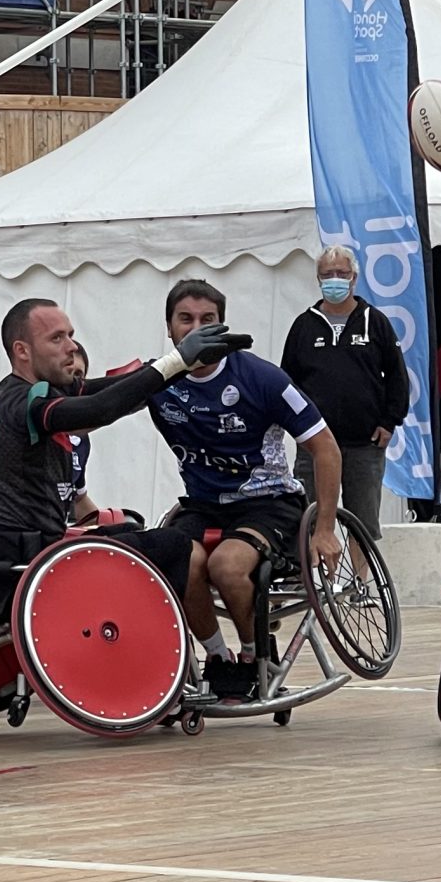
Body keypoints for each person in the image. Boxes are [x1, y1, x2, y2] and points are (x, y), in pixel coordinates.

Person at [0, 297, 235, 615]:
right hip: (39, 559)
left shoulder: (33, 389)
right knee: (178, 546)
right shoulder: (25, 401)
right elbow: (100, 408)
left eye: (70, 335)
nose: (72, 347)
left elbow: (108, 390)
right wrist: (175, 362)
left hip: (27, 550)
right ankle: (221, 644)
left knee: (130, 528)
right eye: (57, 338)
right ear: (22, 350)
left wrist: (176, 366)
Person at [151, 280, 342, 699]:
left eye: (207, 319)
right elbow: (97, 405)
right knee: (181, 562)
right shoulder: (157, 379)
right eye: (185, 319)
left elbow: (325, 447)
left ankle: (256, 654)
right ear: (169, 328)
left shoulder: (261, 378)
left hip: (268, 502)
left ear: (222, 326)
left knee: (226, 566)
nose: (195, 328)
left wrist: (326, 527)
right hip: (202, 505)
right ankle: (218, 658)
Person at [280, 245, 409, 541]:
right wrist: (293, 425)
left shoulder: (376, 321)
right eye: (328, 274)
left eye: (341, 273)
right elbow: (286, 382)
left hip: (364, 444)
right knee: (309, 519)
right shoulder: (303, 325)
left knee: (363, 523)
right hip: (314, 443)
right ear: (318, 279)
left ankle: (359, 574)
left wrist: (390, 421)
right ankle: (314, 571)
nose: (335, 280)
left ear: (354, 277)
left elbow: (397, 376)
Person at [0, 341, 98, 526]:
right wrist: (9, 533)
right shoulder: (13, 417)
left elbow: (79, 500)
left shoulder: (79, 438)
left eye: (78, 375)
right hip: (20, 538)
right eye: (64, 371)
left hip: (52, 535)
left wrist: (110, 524)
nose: (69, 381)